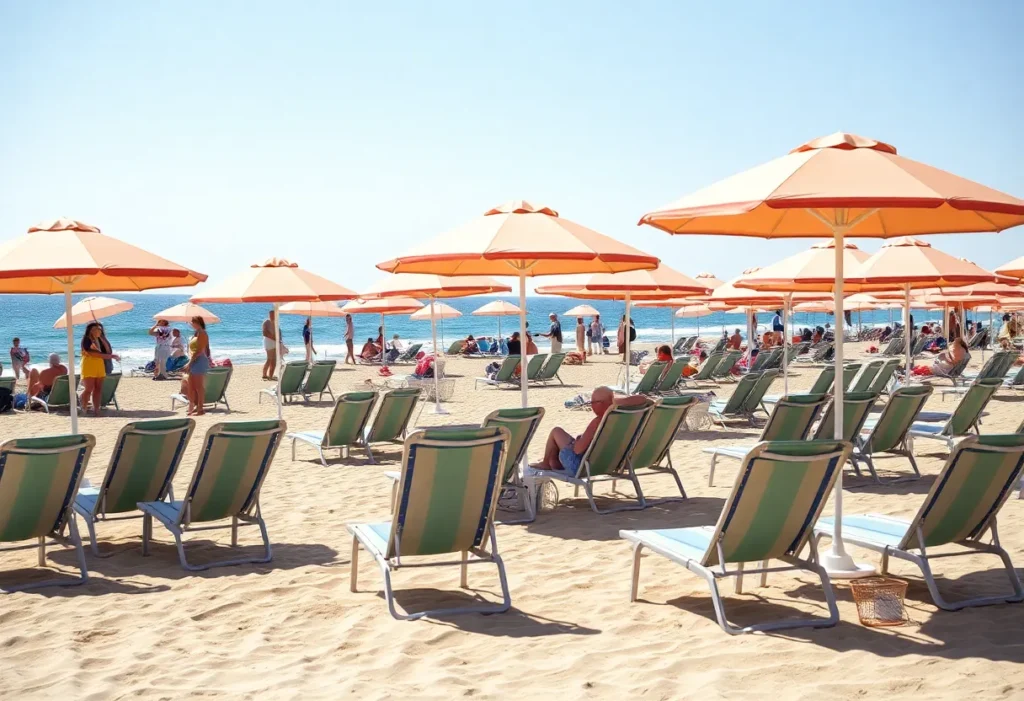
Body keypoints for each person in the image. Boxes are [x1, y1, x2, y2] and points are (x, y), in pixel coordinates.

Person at [537, 387, 645, 472]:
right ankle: (553, 462)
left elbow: (578, 450)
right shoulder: (622, 419)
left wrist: (578, 441)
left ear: (600, 403)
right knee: (563, 442)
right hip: (612, 462)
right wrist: (615, 403)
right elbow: (644, 399)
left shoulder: (598, 422)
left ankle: (546, 463)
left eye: (592, 403)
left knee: (556, 431)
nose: (591, 406)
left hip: (586, 467)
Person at [80, 321, 119, 416]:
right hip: (89, 365)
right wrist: (111, 357)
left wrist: (103, 338)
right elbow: (93, 353)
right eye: (95, 329)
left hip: (99, 365)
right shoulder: (86, 340)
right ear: (90, 330)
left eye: (99, 329)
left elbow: (108, 351)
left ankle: (96, 410)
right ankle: (84, 407)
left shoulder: (100, 340)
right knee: (89, 388)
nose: (97, 331)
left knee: (98, 388)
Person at [182, 316, 211, 416]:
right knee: (191, 386)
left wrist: (189, 363)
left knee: (199, 386)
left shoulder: (202, 333)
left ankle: (200, 408)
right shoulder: (196, 333)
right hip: (194, 360)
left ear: (196, 322)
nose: (190, 324)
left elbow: (199, 351)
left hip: (199, 361)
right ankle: (194, 406)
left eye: (191, 322)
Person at [262, 309, 278, 380]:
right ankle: (264, 375)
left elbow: (278, 333)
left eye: (274, 315)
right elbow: (265, 333)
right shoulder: (266, 322)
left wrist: (279, 340)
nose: (272, 316)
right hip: (269, 342)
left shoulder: (276, 322)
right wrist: (274, 338)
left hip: (275, 342)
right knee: (269, 359)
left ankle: (271, 375)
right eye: (271, 314)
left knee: (274, 360)